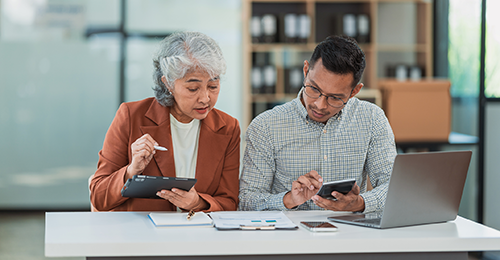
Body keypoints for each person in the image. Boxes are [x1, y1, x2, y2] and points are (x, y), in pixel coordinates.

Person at [239, 35, 397, 213]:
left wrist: (360, 203)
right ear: (305, 70)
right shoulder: (265, 126)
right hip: (288, 237)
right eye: (314, 89)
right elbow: (247, 201)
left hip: (350, 234)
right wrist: (289, 199)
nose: (320, 105)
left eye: (335, 98)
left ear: (355, 91)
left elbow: (393, 187)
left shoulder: (372, 119)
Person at [90, 31, 240, 212]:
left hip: (199, 235)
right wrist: (131, 171)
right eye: (193, 88)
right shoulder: (131, 116)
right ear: (168, 84)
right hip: (142, 234)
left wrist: (197, 203)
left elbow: (230, 202)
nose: (205, 98)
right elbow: (98, 197)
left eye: (213, 86)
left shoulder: (228, 128)